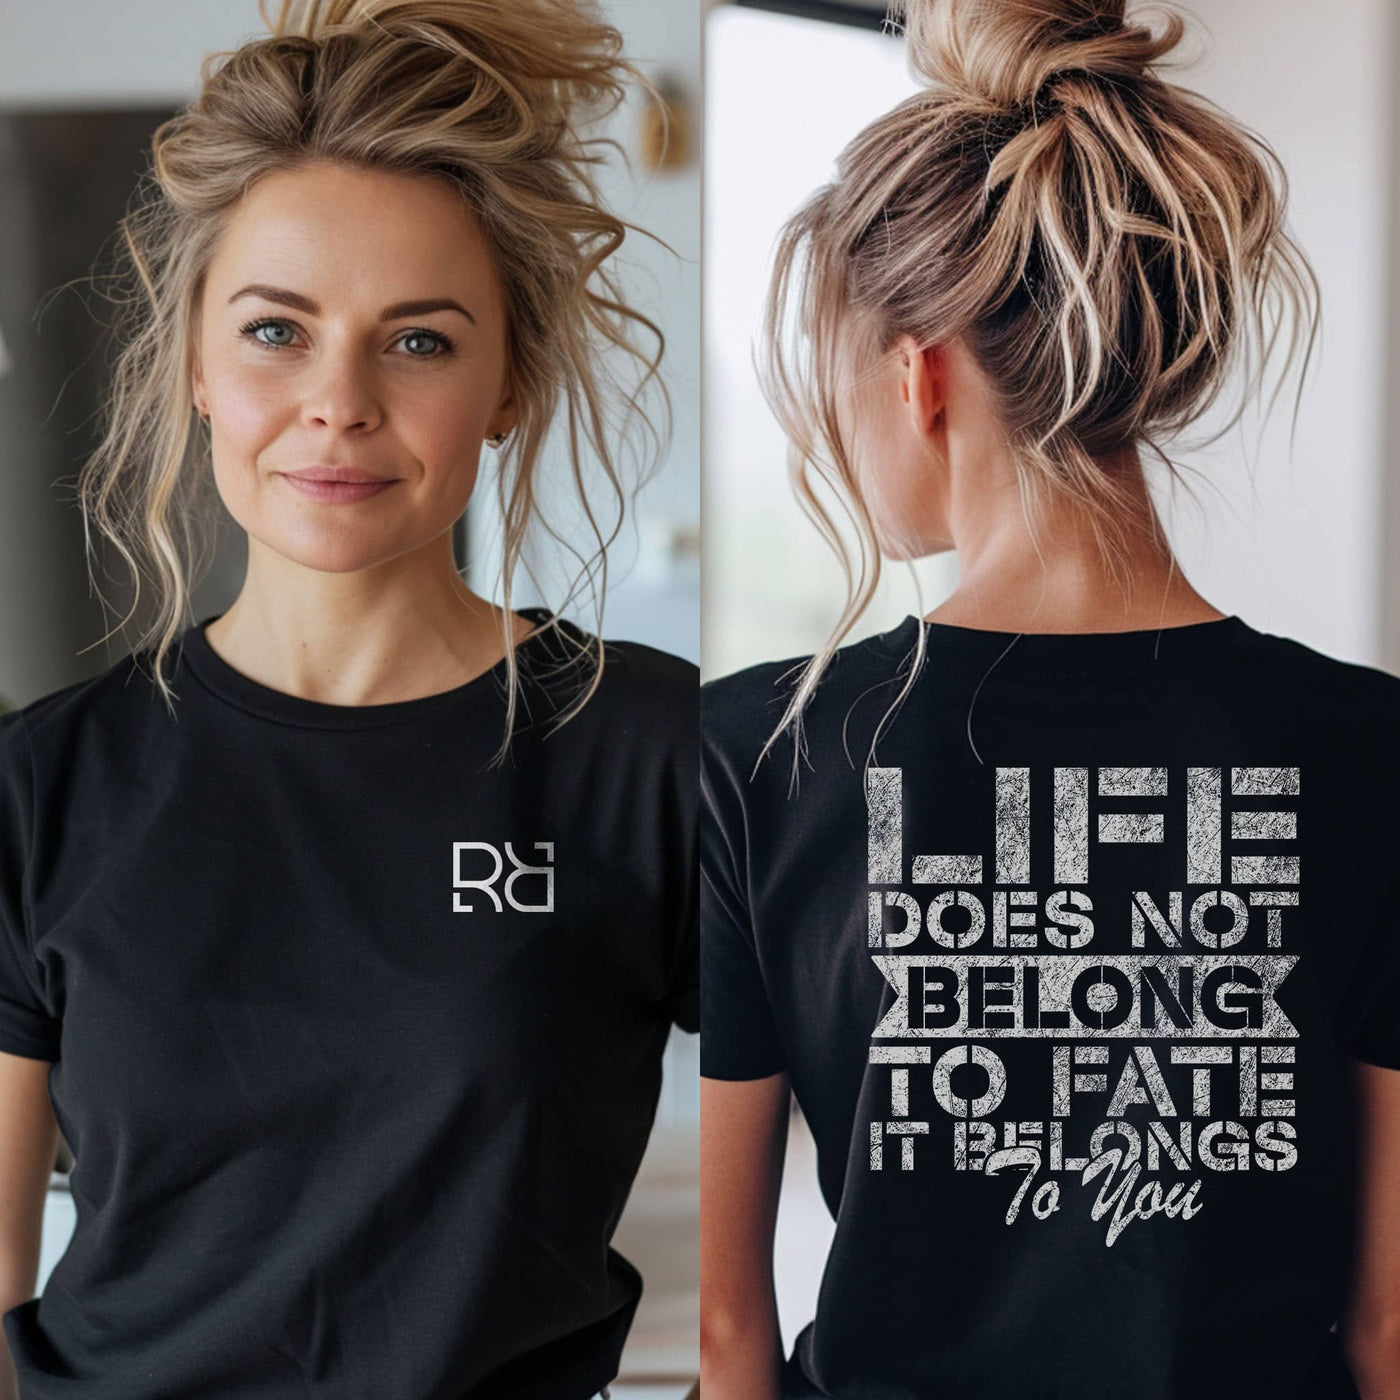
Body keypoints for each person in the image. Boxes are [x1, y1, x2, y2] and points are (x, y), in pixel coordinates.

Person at [699, 2, 1400, 1398]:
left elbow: (728, 1337)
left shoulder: (756, 753)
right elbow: (1389, 1325)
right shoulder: (1369, 748)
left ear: (918, 374)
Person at [0, 2, 697, 1398]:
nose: (338, 402)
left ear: (510, 383)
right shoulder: (44, 788)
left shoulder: (656, 754)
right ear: (198, 364)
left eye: (421, 342)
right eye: (276, 331)